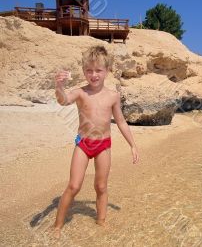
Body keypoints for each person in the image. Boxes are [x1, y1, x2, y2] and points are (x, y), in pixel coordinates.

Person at [52, 45, 139, 238]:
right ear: (84, 71)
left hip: (103, 146)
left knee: (101, 186)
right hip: (83, 144)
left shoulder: (113, 96)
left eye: (98, 70)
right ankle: (57, 225)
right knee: (74, 186)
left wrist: (132, 145)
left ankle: (101, 221)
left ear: (107, 71)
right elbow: (63, 100)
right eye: (89, 70)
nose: (94, 75)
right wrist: (59, 87)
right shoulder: (80, 93)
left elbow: (122, 122)